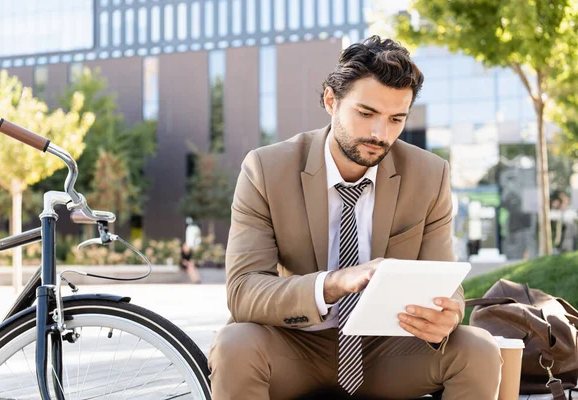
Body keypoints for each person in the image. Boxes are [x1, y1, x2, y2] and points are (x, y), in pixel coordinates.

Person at [208, 36, 502, 399]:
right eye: (366, 114)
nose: (381, 134)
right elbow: (243, 292)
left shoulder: (429, 175)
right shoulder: (266, 169)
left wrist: (450, 311)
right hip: (296, 346)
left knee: (478, 348)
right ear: (331, 101)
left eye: (396, 119)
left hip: (388, 350)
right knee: (235, 342)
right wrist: (335, 283)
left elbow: (444, 280)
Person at [180, 217, 202, 284]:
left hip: (188, 264)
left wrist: (190, 262)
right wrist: (188, 263)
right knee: (190, 267)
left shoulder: (189, 251)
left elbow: (190, 259)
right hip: (184, 264)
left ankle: (197, 279)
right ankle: (195, 279)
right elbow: (182, 261)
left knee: (192, 266)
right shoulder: (183, 253)